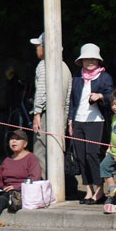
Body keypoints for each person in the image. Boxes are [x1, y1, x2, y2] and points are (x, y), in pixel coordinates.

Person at [68, 43, 113, 204]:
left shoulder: (104, 77)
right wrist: (70, 119)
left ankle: (100, 189)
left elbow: (111, 97)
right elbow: (72, 101)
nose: (90, 62)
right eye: (86, 59)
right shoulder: (77, 77)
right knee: (80, 156)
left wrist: (100, 96)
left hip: (96, 121)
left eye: (93, 59)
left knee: (92, 154)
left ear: (98, 60)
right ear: (81, 61)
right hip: (78, 119)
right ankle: (88, 190)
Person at [28, 34, 72, 176]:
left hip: (46, 114)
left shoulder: (44, 64)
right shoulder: (65, 67)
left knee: (41, 149)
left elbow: (41, 89)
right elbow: (68, 99)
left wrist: (37, 113)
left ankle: (42, 184)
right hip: (61, 115)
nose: (36, 49)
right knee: (57, 150)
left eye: (38, 46)